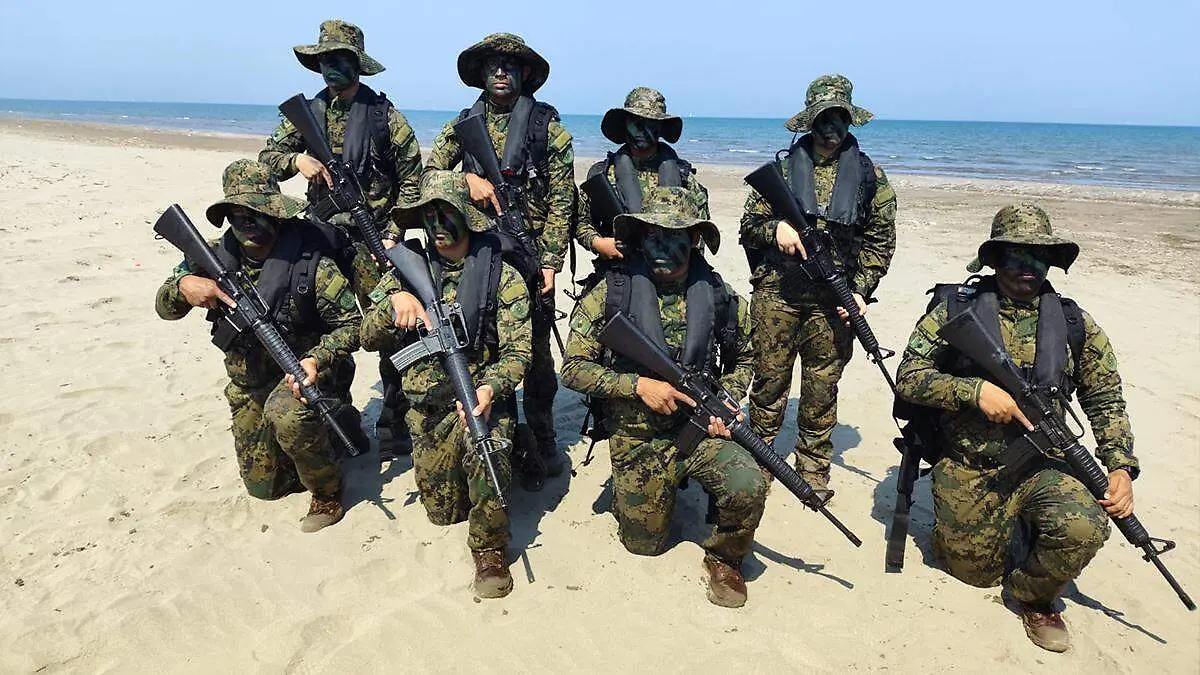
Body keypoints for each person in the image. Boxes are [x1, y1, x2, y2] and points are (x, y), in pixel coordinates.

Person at [895, 203, 1138, 652]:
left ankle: (1034, 598)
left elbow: (1105, 397)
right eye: (1016, 255)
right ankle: (994, 526)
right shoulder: (954, 310)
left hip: (1042, 465)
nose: (1028, 267)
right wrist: (973, 392)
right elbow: (909, 377)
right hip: (970, 464)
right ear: (994, 259)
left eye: (1039, 256)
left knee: (1085, 527)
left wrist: (1120, 466)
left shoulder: (1074, 323)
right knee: (973, 574)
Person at [561, 187, 767, 608]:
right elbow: (572, 369)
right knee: (645, 546)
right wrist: (637, 386)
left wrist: (727, 398)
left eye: (674, 236)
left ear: (694, 239)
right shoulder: (612, 291)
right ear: (640, 236)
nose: (662, 247)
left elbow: (747, 356)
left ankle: (724, 558)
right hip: (637, 436)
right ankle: (639, 492)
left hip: (698, 431)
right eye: (653, 235)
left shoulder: (719, 294)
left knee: (749, 483)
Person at [154, 160, 361, 532]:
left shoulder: (309, 264)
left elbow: (352, 326)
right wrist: (183, 287)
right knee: (265, 488)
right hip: (251, 383)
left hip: (307, 375)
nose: (247, 224)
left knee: (288, 415)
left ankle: (328, 493)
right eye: (237, 216)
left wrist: (317, 359)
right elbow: (164, 308)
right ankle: (323, 435)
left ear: (275, 214)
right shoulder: (211, 258)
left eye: (256, 214)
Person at [360, 171, 532, 598]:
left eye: (446, 214)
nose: (437, 225)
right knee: (442, 513)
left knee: (488, 455)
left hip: (479, 405)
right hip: (427, 415)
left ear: (468, 216)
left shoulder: (501, 275)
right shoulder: (405, 271)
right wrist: (393, 304)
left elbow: (519, 353)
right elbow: (367, 337)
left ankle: (490, 552)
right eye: (429, 216)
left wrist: (489, 388)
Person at [259, 19, 424, 457]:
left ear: (357, 64)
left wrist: (393, 234)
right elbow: (267, 158)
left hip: (375, 240)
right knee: (323, 326)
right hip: (322, 238)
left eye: (340, 59)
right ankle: (338, 416)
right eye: (324, 59)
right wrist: (297, 161)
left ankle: (394, 420)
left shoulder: (386, 118)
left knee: (394, 329)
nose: (331, 66)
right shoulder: (305, 113)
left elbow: (413, 181)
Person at [425, 32, 575, 486]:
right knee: (484, 338)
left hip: (531, 254)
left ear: (525, 73)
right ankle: (494, 419)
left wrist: (550, 262)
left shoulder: (548, 129)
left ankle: (543, 436)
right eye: (493, 65)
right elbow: (429, 174)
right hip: (479, 252)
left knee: (539, 357)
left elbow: (562, 200)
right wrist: (466, 181)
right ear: (482, 73)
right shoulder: (463, 124)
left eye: (510, 66)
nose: (501, 72)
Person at [739, 74, 897, 502]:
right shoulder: (781, 171)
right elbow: (749, 226)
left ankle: (813, 468)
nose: (831, 128)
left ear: (849, 120)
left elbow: (880, 242)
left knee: (821, 390)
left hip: (833, 301)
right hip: (778, 296)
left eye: (838, 119)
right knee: (768, 383)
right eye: (823, 119)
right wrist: (776, 230)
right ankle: (759, 461)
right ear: (810, 121)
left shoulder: (871, 178)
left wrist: (860, 290)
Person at [574, 86, 708, 283]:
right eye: (635, 123)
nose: (642, 130)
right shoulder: (603, 175)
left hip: (671, 276)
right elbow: (581, 222)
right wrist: (598, 243)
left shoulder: (684, 178)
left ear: (661, 128)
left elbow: (699, 232)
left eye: (651, 123)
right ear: (624, 125)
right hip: (619, 273)